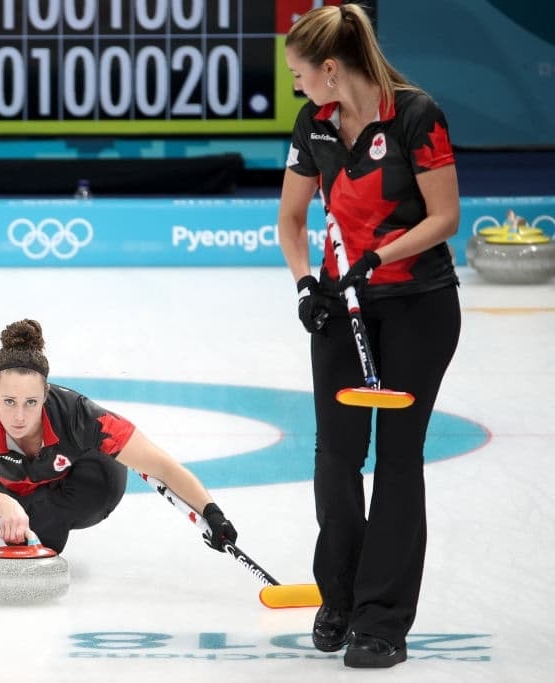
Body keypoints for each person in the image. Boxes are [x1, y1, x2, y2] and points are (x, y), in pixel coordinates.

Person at [278, 4, 461, 669]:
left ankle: (382, 619)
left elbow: (444, 218)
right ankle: (340, 597)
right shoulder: (314, 124)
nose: (296, 86)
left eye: (301, 74)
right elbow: (293, 220)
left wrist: (377, 260)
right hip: (338, 303)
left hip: (418, 306)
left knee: (397, 459)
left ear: (331, 69)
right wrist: (307, 283)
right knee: (336, 455)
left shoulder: (415, 115)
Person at [0, 319, 238, 558]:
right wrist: (2, 504)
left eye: (31, 402)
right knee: (14, 523)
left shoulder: (79, 415)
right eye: (9, 401)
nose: (19, 416)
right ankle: (26, 509)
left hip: (85, 478)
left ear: (46, 395)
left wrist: (212, 513)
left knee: (49, 523)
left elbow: (162, 467)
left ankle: (45, 513)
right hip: (15, 489)